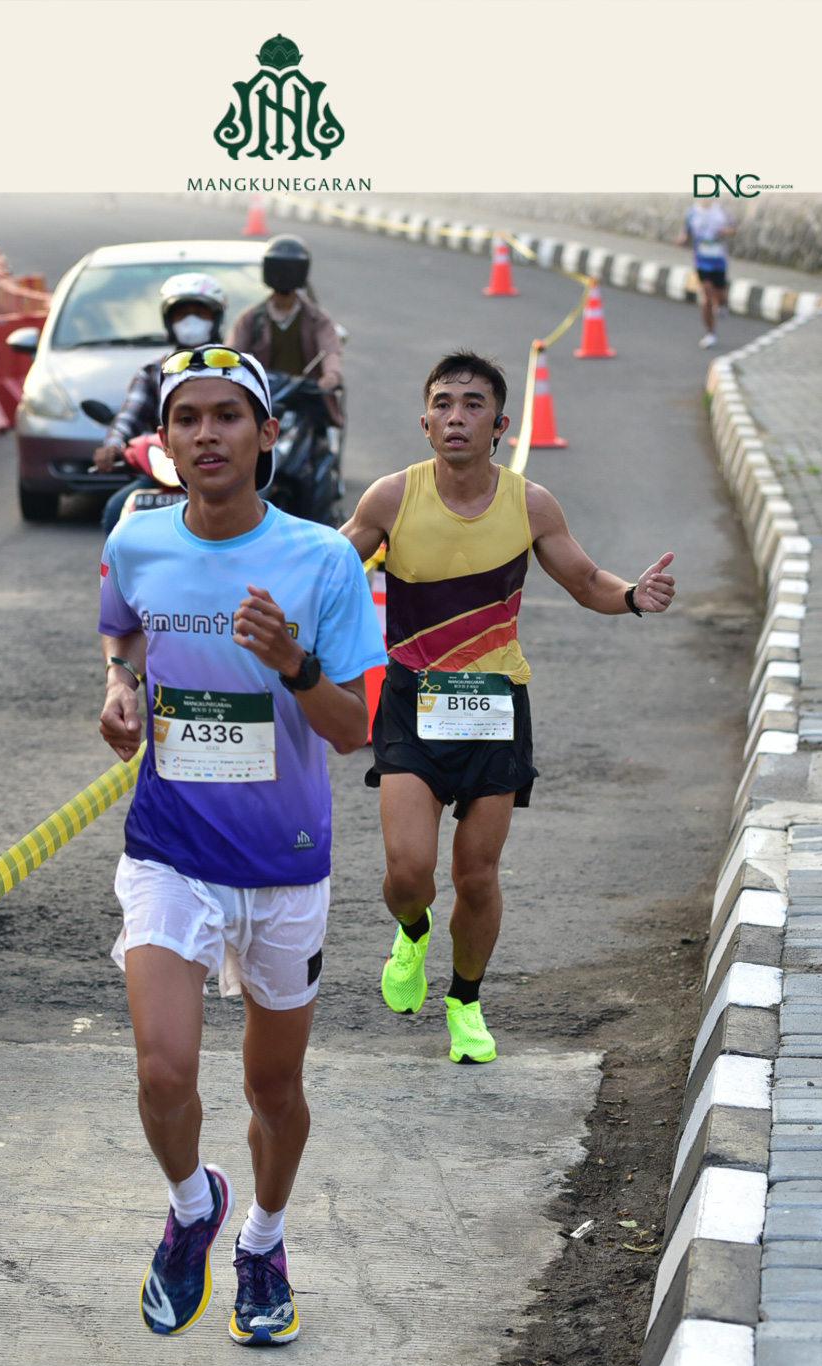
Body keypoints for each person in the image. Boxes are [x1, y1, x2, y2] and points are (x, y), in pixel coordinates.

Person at [98, 345, 386, 1345]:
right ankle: (193, 1209)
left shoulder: (322, 560)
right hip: (169, 848)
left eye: (228, 415)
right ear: (165, 439)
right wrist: (120, 687)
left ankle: (262, 1238)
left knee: (273, 1086)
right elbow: (124, 633)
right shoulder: (137, 539)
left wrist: (292, 662)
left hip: (283, 862)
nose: (206, 434)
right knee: (163, 1071)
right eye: (187, 418)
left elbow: (353, 730)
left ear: (267, 434)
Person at [340, 350, 675, 1065]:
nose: (455, 416)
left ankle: (464, 1002)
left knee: (476, 874)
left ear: (500, 424)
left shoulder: (531, 504)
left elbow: (584, 579)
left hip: (495, 707)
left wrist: (630, 596)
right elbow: (330, 569)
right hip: (411, 699)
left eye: (472, 405)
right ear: (424, 421)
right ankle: (412, 931)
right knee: (408, 871)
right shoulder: (391, 498)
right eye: (443, 403)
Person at [94, 273, 227, 532]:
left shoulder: (237, 369)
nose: (190, 320)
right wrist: (112, 445)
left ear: (216, 318)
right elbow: (128, 417)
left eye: (200, 312)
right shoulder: (153, 372)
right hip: (165, 472)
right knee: (115, 512)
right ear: (168, 321)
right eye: (182, 314)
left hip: (224, 469)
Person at [230, 236, 344, 397]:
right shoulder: (251, 318)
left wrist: (331, 375)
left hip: (306, 395)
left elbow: (330, 350)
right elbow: (234, 354)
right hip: (264, 395)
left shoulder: (317, 318)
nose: (284, 276)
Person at [676, 197, 737, 348]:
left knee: (720, 296)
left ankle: (721, 304)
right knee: (706, 296)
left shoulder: (722, 211)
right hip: (701, 261)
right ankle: (710, 333)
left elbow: (734, 229)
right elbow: (686, 233)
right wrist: (682, 239)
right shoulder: (692, 212)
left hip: (719, 260)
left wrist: (726, 231)